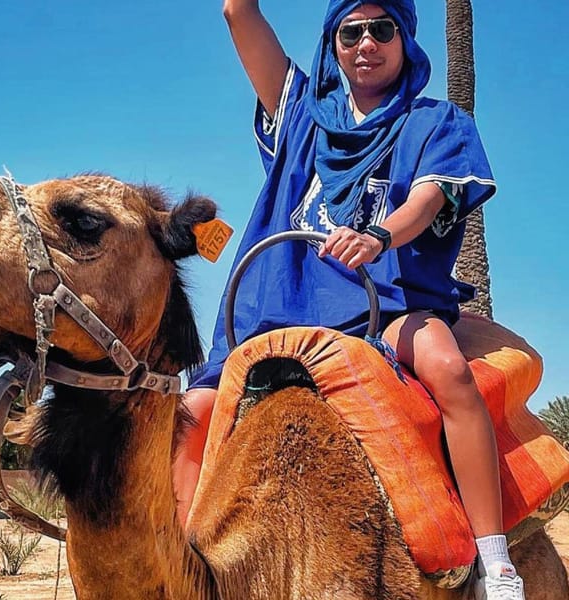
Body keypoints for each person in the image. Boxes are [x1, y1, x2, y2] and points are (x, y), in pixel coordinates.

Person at [173, 1, 524, 598]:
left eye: (381, 29)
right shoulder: (300, 115)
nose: (366, 43)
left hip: (384, 303)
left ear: (404, 38)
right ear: (333, 42)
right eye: (350, 31)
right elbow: (238, 13)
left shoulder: (435, 122)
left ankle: (495, 559)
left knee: (449, 372)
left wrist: (380, 235)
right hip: (274, 311)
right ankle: (185, 572)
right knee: (191, 418)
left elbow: (428, 200)